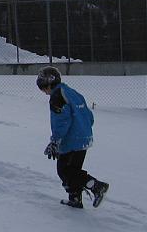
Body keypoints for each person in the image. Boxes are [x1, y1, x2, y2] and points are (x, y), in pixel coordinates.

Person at [36, 66, 109, 209]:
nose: (44, 92)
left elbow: (62, 122)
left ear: (49, 84)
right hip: (84, 138)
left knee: (65, 171)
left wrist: (55, 141)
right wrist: (83, 130)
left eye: (43, 88)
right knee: (72, 170)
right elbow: (89, 116)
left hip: (72, 140)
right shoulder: (72, 93)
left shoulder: (57, 97)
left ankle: (96, 186)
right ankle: (75, 199)